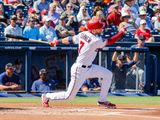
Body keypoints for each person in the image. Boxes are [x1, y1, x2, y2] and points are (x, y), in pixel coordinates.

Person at [41, 18, 126, 108]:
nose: (102, 29)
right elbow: (111, 41)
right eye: (99, 28)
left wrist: (57, 41)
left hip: (89, 67)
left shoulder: (83, 34)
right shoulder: (95, 40)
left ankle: (102, 100)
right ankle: (46, 96)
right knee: (69, 96)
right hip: (79, 69)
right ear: (93, 29)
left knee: (108, 74)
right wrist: (121, 32)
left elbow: (70, 39)